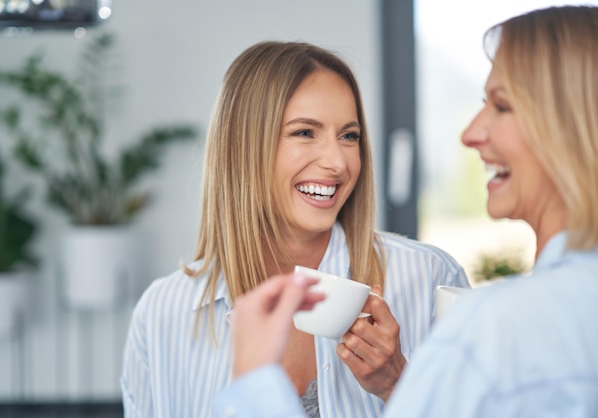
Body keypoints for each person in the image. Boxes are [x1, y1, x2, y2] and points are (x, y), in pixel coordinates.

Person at [212, 5, 598, 417]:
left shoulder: (485, 322)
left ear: (573, 123)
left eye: (501, 106)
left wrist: (254, 383)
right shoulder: (162, 313)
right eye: (305, 132)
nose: (469, 134)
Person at [120, 41, 469, 417]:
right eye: (305, 132)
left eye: (349, 136)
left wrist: (397, 383)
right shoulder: (162, 313)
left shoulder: (430, 279)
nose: (337, 163)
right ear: (243, 146)